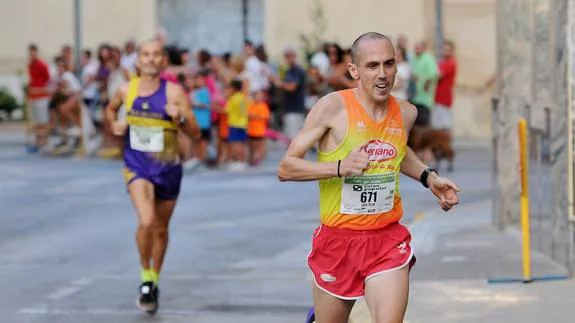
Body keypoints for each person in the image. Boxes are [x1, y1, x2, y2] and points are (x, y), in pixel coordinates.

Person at [277, 32, 460, 323]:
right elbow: (286, 167)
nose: (383, 74)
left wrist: (428, 177)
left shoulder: (406, 112)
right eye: (372, 66)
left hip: (386, 239)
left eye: (389, 64)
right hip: (337, 241)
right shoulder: (333, 107)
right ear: (354, 70)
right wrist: (340, 167)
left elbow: (398, 149)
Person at [105, 39, 200, 314]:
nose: (150, 59)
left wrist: (180, 118)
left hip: (169, 166)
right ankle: (145, 278)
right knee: (146, 221)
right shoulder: (126, 90)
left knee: (160, 228)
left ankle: (154, 279)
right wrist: (115, 123)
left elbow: (194, 133)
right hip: (137, 165)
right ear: (137, 61)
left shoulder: (174, 92)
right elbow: (110, 109)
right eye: (145, 54)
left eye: (156, 54)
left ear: (163, 62)